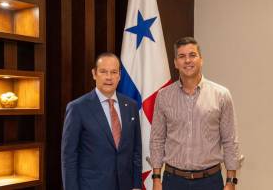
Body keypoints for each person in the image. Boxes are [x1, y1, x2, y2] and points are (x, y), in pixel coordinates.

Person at [150, 37, 240, 190]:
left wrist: (231, 181)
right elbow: (157, 139)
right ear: (175, 63)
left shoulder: (221, 95)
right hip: (173, 181)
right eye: (182, 56)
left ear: (201, 59)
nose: (187, 61)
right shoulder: (163, 96)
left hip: (210, 181)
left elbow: (230, 140)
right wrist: (156, 179)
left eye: (192, 55)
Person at [61, 52, 142, 190]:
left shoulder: (131, 106)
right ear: (94, 74)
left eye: (113, 72)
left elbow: (136, 150)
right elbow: (69, 157)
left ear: (119, 75)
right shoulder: (77, 108)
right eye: (103, 72)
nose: (109, 77)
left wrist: (136, 185)